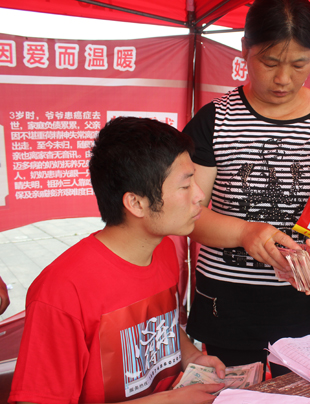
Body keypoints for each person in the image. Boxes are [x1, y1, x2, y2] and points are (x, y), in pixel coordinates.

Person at [182, 0, 310, 374]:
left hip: (308, 303)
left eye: (299, 64)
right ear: (245, 48)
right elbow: (186, 212)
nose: (283, 78)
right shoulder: (216, 119)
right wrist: (244, 232)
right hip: (228, 306)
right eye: (269, 62)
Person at [9, 117, 226, 404]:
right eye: (186, 186)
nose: (200, 196)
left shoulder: (163, 248)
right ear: (136, 203)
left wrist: (192, 357)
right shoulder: (61, 291)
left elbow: (162, 329)